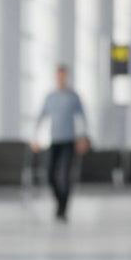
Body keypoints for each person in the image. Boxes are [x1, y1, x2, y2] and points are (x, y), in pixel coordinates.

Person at [32, 65, 90, 222]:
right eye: (59, 76)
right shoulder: (50, 97)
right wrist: (36, 137)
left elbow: (82, 118)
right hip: (53, 140)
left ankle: (63, 209)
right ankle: (60, 201)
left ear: (67, 77)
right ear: (56, 77)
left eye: (64, 76)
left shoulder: (73, 97)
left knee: (65, 176)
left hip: (69, 141)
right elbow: (40, 118)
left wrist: (83, 137)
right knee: (50, 175)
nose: (61, 78)